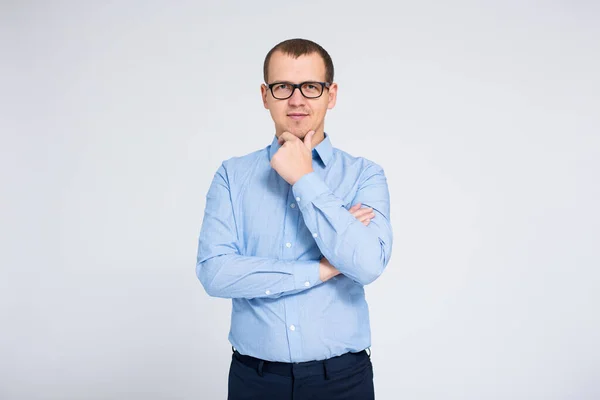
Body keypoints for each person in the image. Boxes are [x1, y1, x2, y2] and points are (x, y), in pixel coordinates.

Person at [196, 38, 393, 399]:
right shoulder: (232, 176)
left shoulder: (365, 175)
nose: (297, 100)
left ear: (330, 95)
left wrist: (305, 179)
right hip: (254, 380)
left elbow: (367, 264)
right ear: (265, 95)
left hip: (343, 381)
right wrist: (321, 269)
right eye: (283, 86)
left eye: (311, 87)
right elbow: (215, 273)